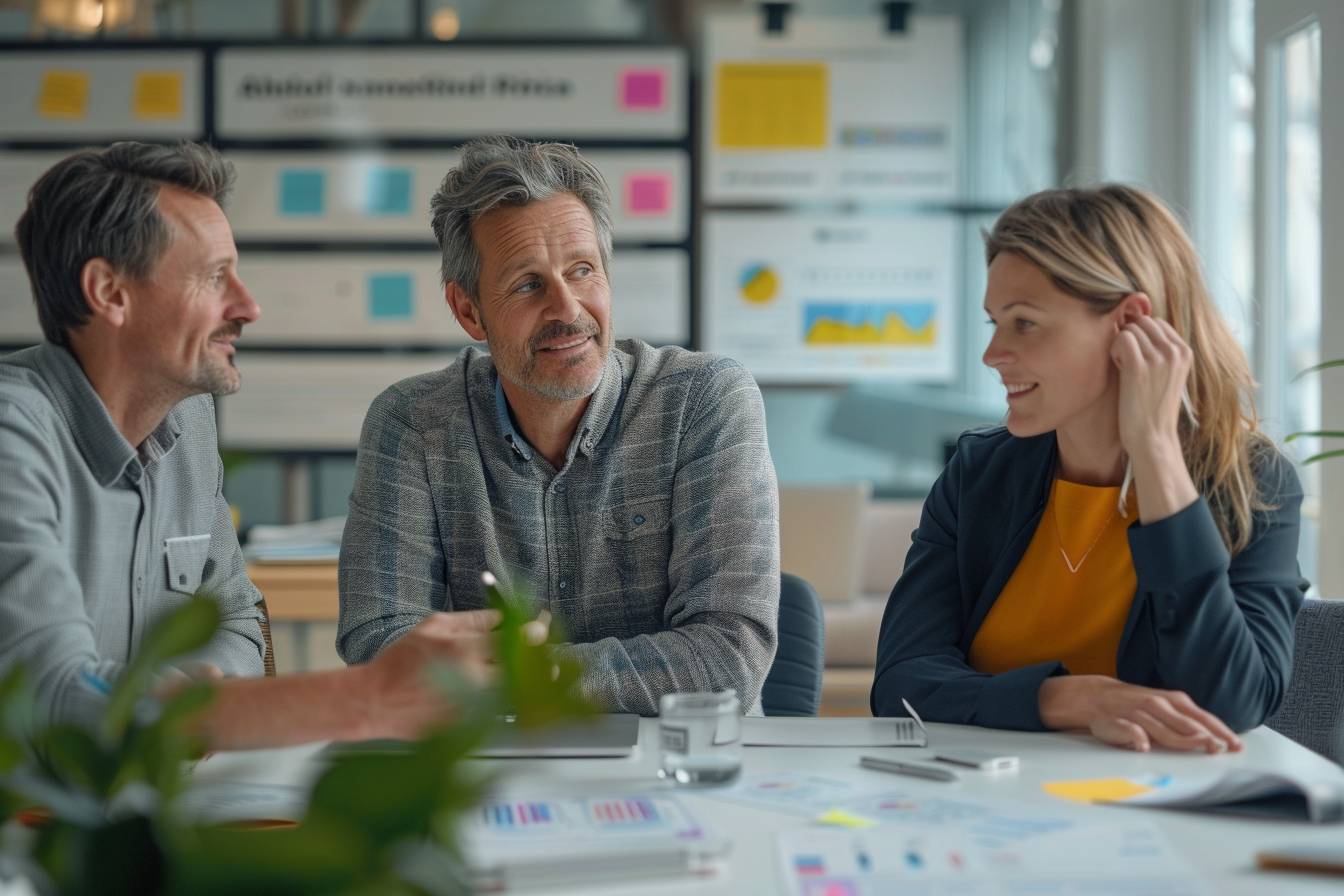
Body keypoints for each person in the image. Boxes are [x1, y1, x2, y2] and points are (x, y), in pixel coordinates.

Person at [0, 141, 497, 750]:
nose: (248, 306)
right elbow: (53, 699)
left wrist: (185, 709)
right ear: (110, 293)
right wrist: (367, 699)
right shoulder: (13, 433)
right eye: (214, 278)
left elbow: (238, 619)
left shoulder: (189, 421)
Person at [337, 136, 779, 716]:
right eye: (527, 284)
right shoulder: (413, 424)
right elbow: (379, 641)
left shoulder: (703, 400)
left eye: (582, 271)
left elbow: (727, 657)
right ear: (469, 309)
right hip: (490, 772)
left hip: (682, 765)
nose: (568, 309)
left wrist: (519, 675)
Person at [871, 185, 1308, 752]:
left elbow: (1231, 701)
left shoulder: (1252, 484)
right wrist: (1076, 698)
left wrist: (1153, 447)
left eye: (1025, 323)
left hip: (1154, 811)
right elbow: (901, 684)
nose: (993, 354)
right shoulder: (979, 473)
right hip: (979, 798)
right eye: (993, 322)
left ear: (1130, 323)